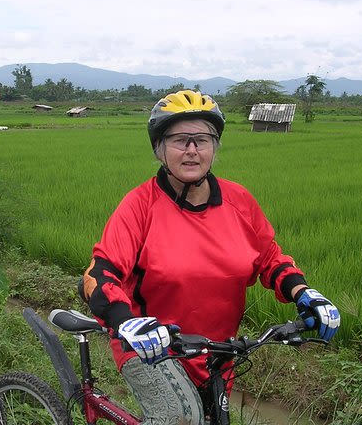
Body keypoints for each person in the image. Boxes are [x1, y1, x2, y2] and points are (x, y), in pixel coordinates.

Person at [81, 90, 340, 424]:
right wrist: (124, 320)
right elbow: (99, 274)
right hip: (150, 345)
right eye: (179, 140)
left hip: (218, 351)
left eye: (202, 139)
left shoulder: (238, 201)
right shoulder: (139, 206)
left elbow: (269, 258)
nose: (191, 150)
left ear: (214, 147)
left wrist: (304, 292)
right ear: (159, 148)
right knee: (181, 416)